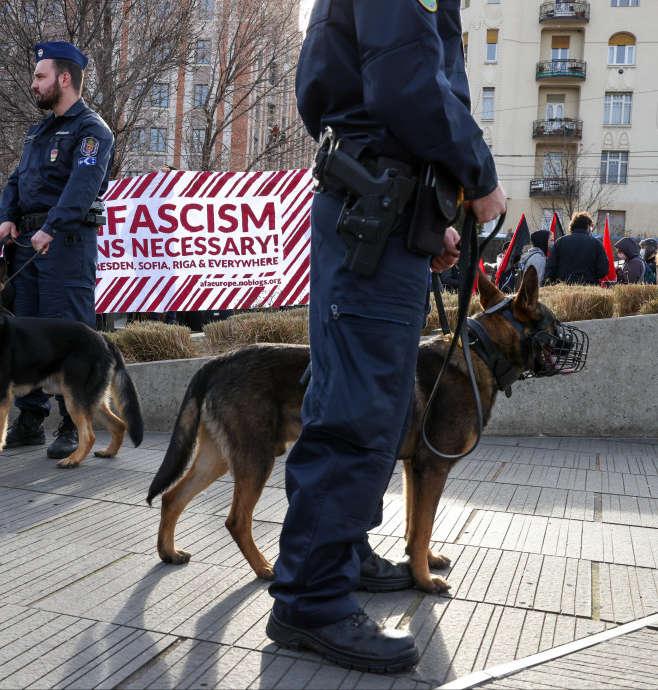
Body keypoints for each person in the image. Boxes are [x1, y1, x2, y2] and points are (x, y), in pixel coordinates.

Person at [265, 0, 506, 673]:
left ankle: (340, 554)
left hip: (385, 206)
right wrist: (475, 172)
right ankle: (310, 600)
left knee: (370, 399)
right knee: (356, 409)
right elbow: (404, 81)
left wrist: (423, 211)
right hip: (375, 207)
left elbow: (338, 90)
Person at [0, 41, 115, 459]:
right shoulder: (39, 130)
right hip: (27, 243)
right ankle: (30, 419)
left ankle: (70, 421)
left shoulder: (92, 130)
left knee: (67, 334)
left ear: (64, 79)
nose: (33, 84)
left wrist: (50, 225)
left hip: (64, 242)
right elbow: (14, 181)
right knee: (26, 332)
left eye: (40, 76)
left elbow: (82, 188)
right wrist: (5, 217)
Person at [543, 212, 609, 285]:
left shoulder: (560, 242)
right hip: (589, 288)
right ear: (588, 226)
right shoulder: (596, 243)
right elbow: (603, 270)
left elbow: (551, 268)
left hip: (563, 288)